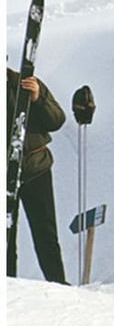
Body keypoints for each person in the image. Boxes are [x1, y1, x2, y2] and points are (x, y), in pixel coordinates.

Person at [6, 68, 67, 283]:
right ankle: (8, 285)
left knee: (45, 234)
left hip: (35, 168)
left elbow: (57, 120)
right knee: (6, 237)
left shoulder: (25, 83)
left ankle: (58, 283)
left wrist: (38, 98)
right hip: (5, 174)